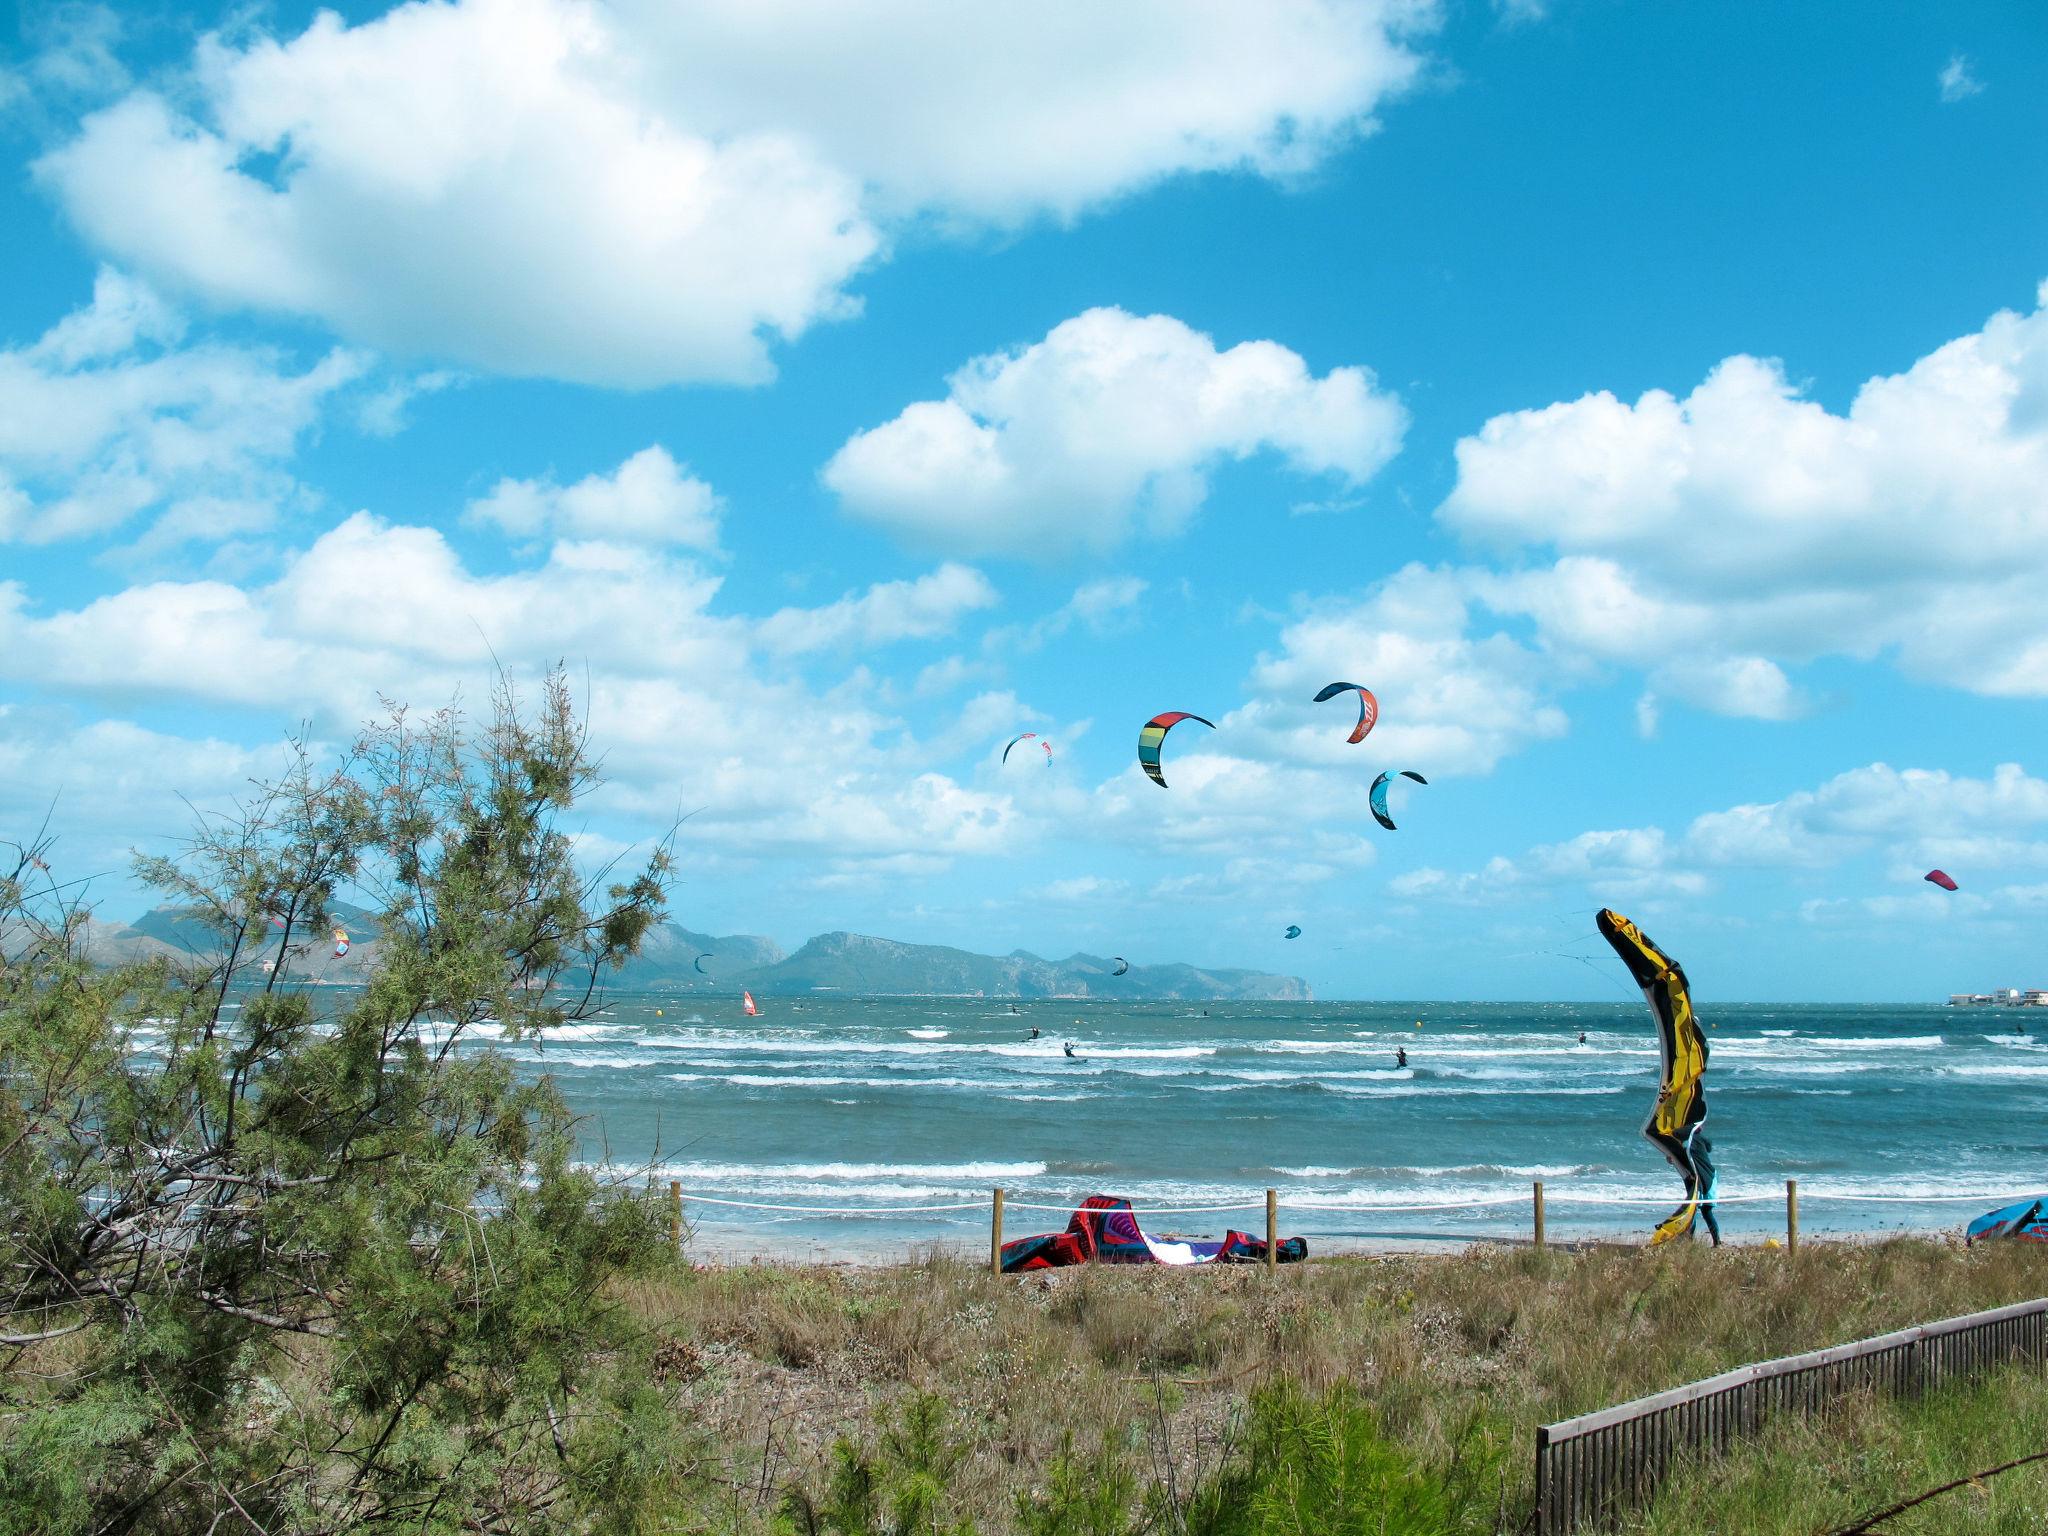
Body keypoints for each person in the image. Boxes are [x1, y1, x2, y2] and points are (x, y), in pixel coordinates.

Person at [1692, 1136, 1721, 1247]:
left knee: (1705, 1212)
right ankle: (1690, 1240)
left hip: (1707, 1179)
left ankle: (1717, 1242)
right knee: (1693, 1211)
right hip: (1701, 1180)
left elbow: (1708, 1144)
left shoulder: (1694, 1141)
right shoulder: (1693, 1142)